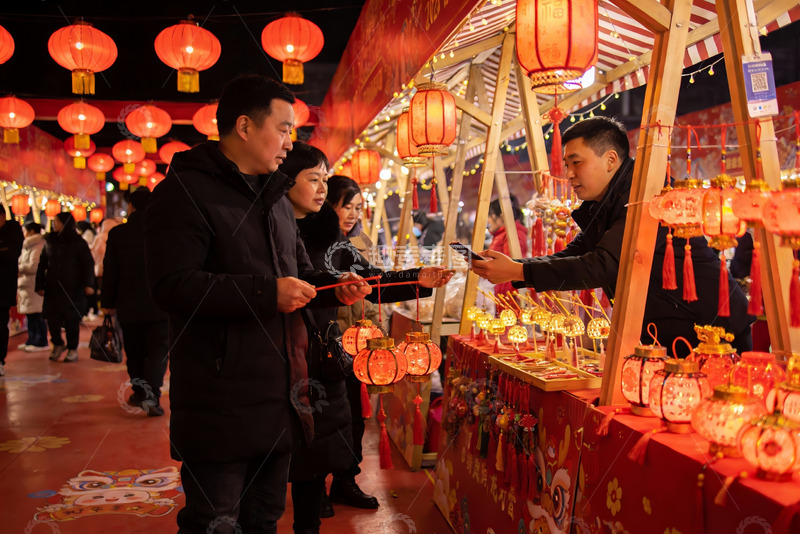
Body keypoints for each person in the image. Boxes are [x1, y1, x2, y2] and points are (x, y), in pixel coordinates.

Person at [144, 75, 370, 534]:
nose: (291, 142)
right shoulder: (184, 192)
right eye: (284, 129)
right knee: (217, 521)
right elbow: (173, 285)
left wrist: (334, 284)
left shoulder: (276, 200)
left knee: (264, 517)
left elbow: (300, 272)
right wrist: (269, 293)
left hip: (281, 394)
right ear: (244, 127)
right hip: (220, 401)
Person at [470, 116, 753, 356]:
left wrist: (518, 270)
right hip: (669, 326)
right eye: (567, 164)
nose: (568, 174)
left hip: (709, 328)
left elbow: (605, 264)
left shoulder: (646, 195)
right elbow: (576, 252)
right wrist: (514, 267)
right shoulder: (607, 202)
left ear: (610, 159)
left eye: (575, 163)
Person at [282, 144, 453, 533]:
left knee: (322, 439)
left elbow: (370, 280)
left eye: (325, 180)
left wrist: (416, 279)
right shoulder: (270, 230)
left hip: (323, 351)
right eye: (314, 179)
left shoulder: (333, 239)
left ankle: (320, 507)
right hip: (277, 352)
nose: (322, 189)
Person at [102, 188, 169, 417]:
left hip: (128, 305)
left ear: (130, 207)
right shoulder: (163, 231)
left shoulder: (119, 234)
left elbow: (111, 271)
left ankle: (140, 393)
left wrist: (107, 302)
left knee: (135, 351)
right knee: (157, 353)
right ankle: (152, 397)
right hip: (160, 304)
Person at [35, 212, 95, 363]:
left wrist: (89, 284)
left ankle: (72, 348)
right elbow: (42, 264)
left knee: (71, 320)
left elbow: (88, 263)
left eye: (57, 221)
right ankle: (57, 343)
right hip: (53, 287)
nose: (54, 224)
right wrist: (39, 284)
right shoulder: (50, 241)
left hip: (73, 288)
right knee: (52, 318)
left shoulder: (78, 242)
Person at [487, 195, 528, 308]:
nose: (489, 220)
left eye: (490, 215)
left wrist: (511, 297)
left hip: (510, 294)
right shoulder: (503, 234)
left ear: (501, 216)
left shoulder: (514, 233)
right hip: (503, 291)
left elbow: (513, 265)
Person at [17, 222, 48, 352]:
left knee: (36, 314)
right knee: (30, 314)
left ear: (31, 231)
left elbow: (34, 266)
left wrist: (18, 268)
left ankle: (40, 341)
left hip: (34, 283)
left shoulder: (37, 245)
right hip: (27, 284)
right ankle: (32, 339)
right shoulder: (28, 245)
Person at [0, 209, 23, 376]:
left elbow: (12, 253)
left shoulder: (13, 230)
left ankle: (0, 360)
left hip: (4, 290)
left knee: (1, 325)